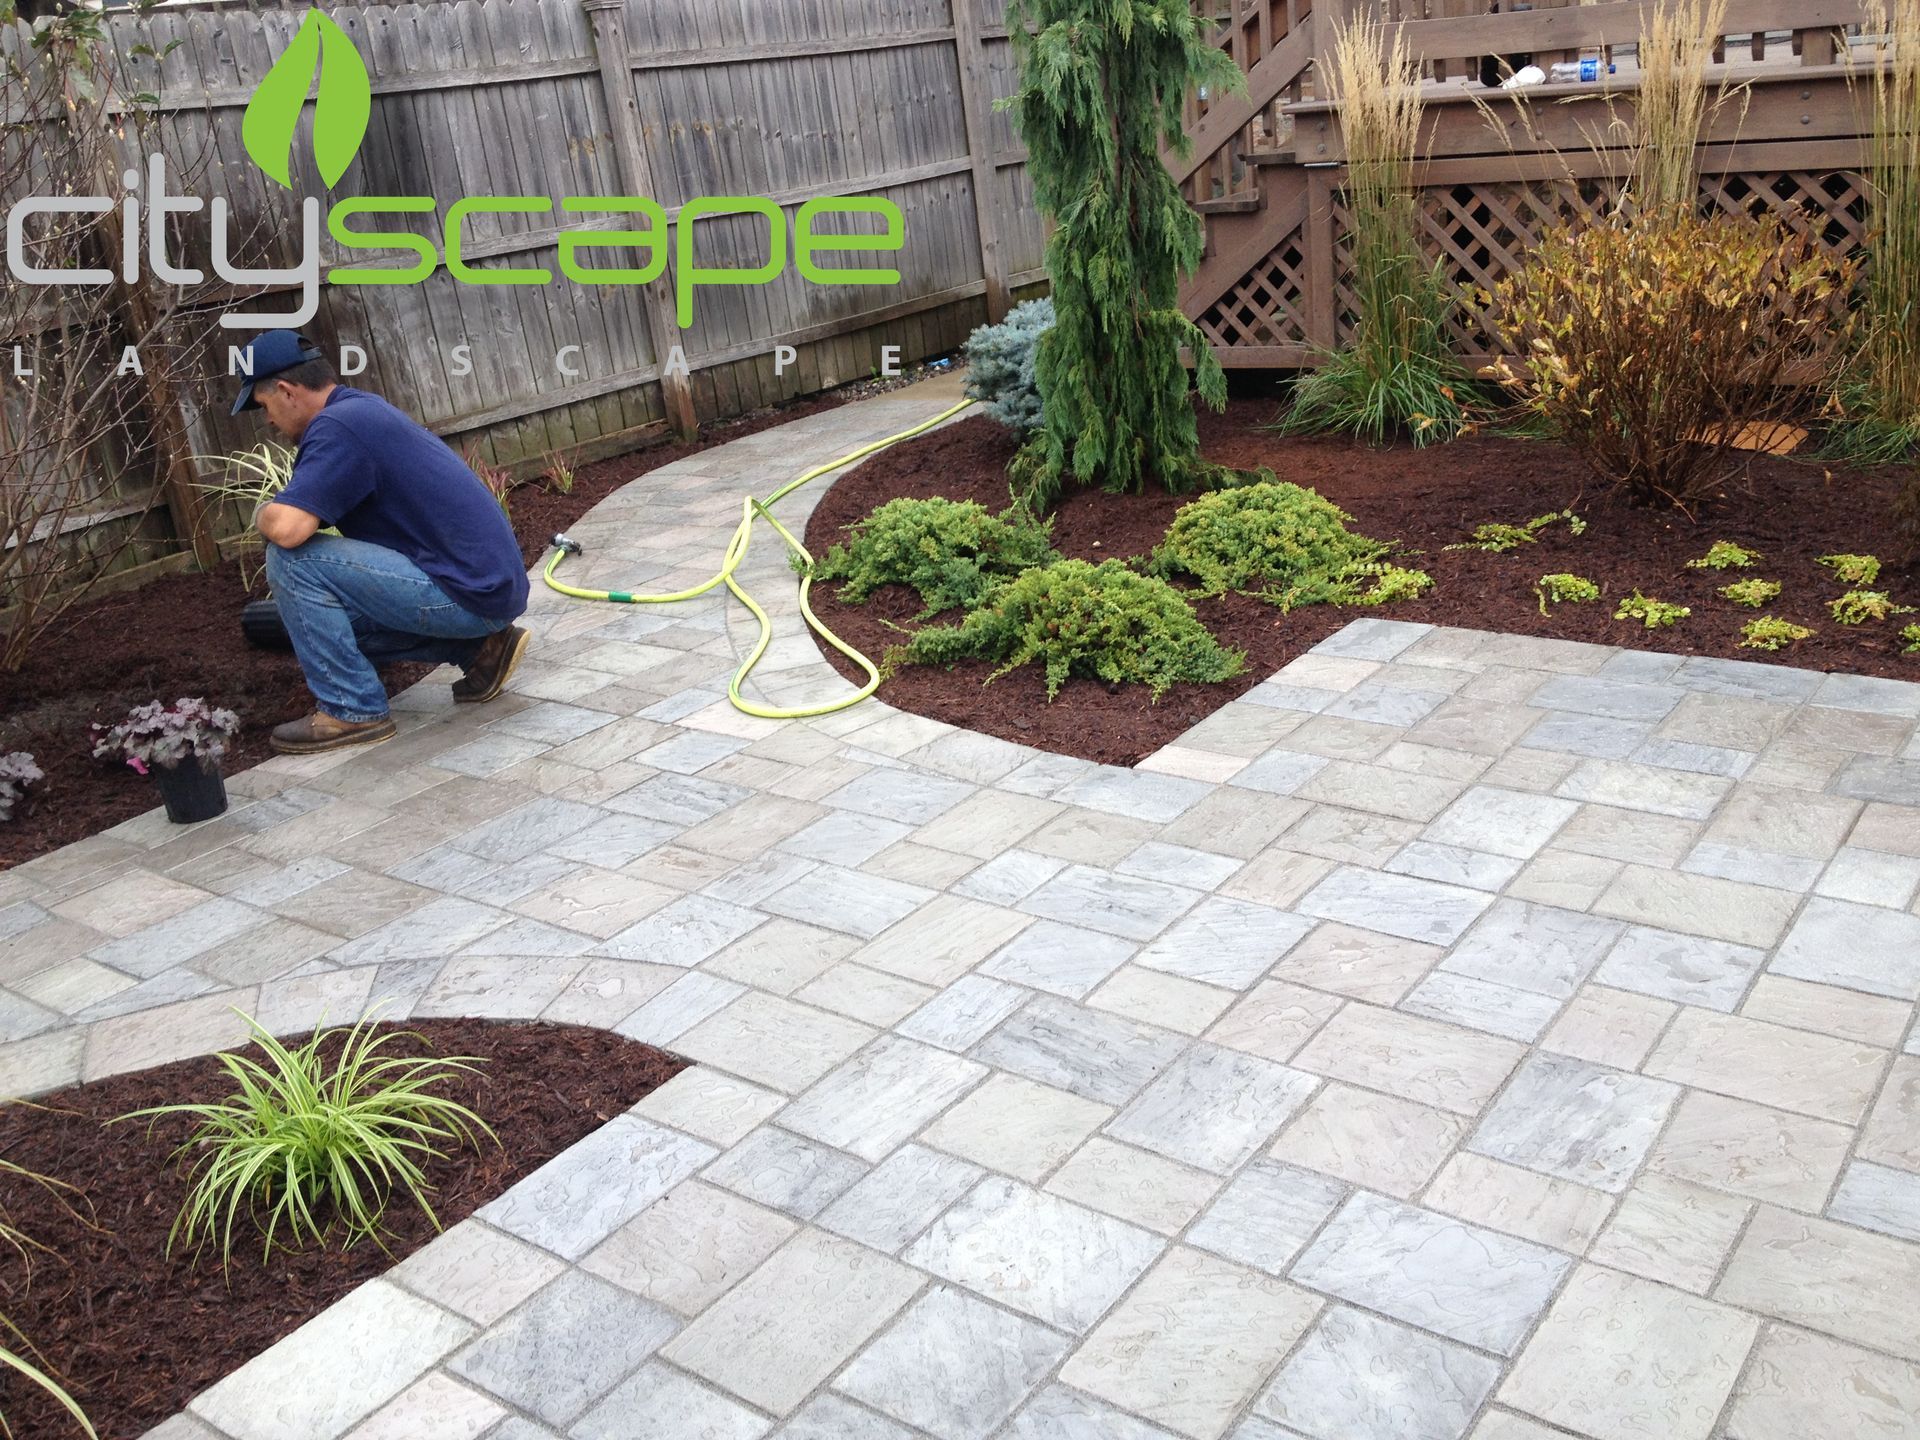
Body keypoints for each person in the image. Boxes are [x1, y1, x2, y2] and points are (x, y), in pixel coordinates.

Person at [231, 330, 531, 755]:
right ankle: (480, 649)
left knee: (291, 561)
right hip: (483, 589)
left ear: (285, 391)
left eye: (263, 407)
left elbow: (288, 529)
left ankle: (351, 711)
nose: (268, 422)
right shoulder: (358, 410)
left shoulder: (338, 426)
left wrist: (262, 510)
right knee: (321, 624)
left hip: (467, 591)